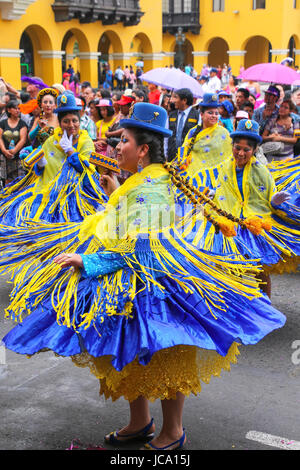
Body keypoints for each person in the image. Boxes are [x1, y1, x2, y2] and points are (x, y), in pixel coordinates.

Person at [0, 103, 286, 451]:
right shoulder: (147, 178)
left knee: (164, 352)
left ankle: (173, 432)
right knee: (132, 350)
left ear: (143, 149)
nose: (116, 147)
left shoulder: (150, 187)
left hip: (152, 282)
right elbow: (129, 220)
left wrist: (87, 261)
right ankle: (140, 423)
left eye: (124, 141)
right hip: (136, 278)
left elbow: (138, 247)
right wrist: (113, 192)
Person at [178, 119, 300, 297]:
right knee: (228, 268)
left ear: (254, 150)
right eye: (237, 148)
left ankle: (266, 305)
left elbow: (269, 198)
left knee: (259, 269)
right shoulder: (226, 166)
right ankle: (234, 304)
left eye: (246, 149)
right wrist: (213, 194)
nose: (241, 153)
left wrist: (275, 202)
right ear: (232, 146)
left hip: (254, 226)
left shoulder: (261, 171)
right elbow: (222, 190)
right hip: (229, 226)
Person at [0, 91, 107, 227]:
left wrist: (70, 151)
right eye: (66, 121)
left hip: (76, 197)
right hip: (49, 193)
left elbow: (87, 171)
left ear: (79, 121)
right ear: (60, 123)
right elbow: (40, 171)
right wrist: (40, 163)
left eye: (74, 121)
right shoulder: (51, 140)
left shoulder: (85, 142)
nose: (71, 125)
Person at [173, 93, 232, 173]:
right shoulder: (193, 132)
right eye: (210, 113)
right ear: (201, 114)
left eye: (216, 113)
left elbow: (229, 157)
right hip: (192, 177)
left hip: (216, 178)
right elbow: (184, 153)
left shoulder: (224, 133)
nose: (214, 116)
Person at [0, 100, 28, 186]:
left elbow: (23, 139)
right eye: (15, 108)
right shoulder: (3, 123)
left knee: (19, 180)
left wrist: (14, 151)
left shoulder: (22, 123)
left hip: (18, 156)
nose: (17, 110)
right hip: (4, 156)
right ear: (9, 110)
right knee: (6, 179)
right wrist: (4, 151)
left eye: (18, 109)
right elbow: (0, 138)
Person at [167, 88, 199, 161]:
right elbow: (166, 137)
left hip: (189, 157)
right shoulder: (171, 115)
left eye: (176, 97)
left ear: (184, 100)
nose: (173, 100)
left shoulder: (197, 116)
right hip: (172, 156)